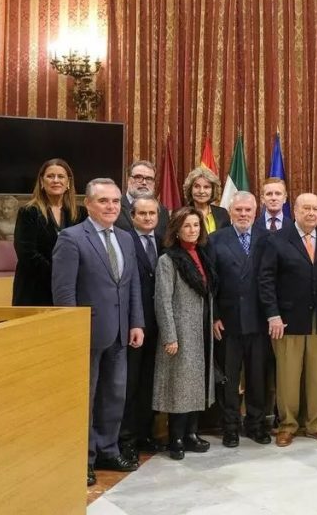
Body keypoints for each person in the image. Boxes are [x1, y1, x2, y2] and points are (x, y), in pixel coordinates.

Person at [52, 178, 145, 486]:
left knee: (113, 396)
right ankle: (83, 458)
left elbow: (131, 285)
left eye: (116, 201)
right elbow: (64, 292)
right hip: (87, 333)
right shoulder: (71, 237)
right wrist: (72, 330)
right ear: (88, 204)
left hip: (119, 332)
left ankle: (107, 449)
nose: (111, 207)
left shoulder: (126, 237)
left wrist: (136, 322)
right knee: (85, 399)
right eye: (104, 201)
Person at [259, 193, 317, 446]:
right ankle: (288, 425)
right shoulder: (277, 240)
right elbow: (266, 280)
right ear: (294, 210)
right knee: (288, 377)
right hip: (287, 321)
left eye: (316, 209)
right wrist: (272, 314)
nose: (312, 213)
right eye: (306, 208)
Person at [153, 207, 218, 461]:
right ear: (177, 230)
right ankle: (176, 438)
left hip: (201, 326)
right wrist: (170, 335)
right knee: (180, 386)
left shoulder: (202, 254)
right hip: (180, 331)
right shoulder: (168, 260)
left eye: (196, 225)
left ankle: (191, 434)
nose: (192, 230)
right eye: (187, 226)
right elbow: (163, 301)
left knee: (197, 383)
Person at [208, 192, 271, 447]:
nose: (243, 214)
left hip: (259, 322)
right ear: (230, 212)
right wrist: (214, 317)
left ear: (256, 212)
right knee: (229, 380)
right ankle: (230, 427)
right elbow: (210, 283)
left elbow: (273, 281)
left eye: (248, 210)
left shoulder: (268, 239)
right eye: (238, 210)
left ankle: (256, 424)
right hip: (228, 322)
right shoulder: (215, 240)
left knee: (258, 377)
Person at [118, 195, 166, 464]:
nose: (148, 218)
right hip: (133, 324)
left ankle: (146, 433)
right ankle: (126, 439)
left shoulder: (162, 242)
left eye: (152, 214)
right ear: (133, 216)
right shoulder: (125, 241)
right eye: (143, 214)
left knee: (150, 381)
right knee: (130, 384)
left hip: (157, 325)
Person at [13, 158, 85, 306]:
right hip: (35, 290)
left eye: (61, 176)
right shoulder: (29, 212)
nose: (56, 180)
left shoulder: (80, 214)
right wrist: (60, 273)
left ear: (68, 183)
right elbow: (27, 254)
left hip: (70, 290)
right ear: (41, 182)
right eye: (50, 176)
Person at [115, 160, 170, 239]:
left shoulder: (162, 211)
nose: (144, 182)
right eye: (138, 177)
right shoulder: (115, 206)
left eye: (149, 178)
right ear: (129, 180)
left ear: (154, 183)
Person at [182, 166, 230, 234]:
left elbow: (227, 239)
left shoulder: (222, 213)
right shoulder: (181, 214)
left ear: (213, 190)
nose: (201, 191)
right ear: (190, 189)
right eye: (197, 186)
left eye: (206, 187)